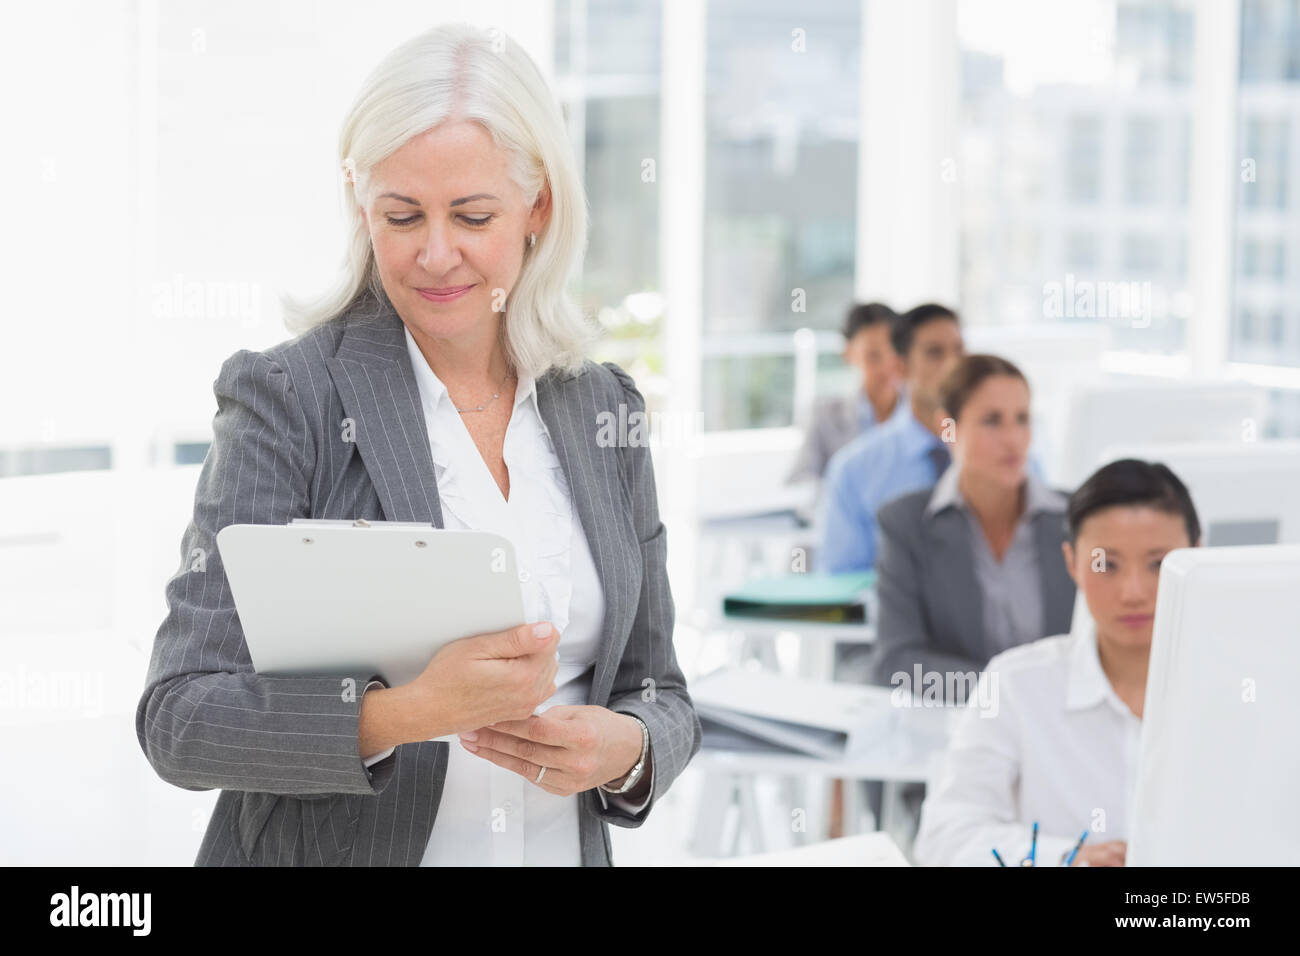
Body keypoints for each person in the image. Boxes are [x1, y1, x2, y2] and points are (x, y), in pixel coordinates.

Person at [135, 22, 701, 867]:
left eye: (473, 215)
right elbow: (180, 717)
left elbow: (664, 694)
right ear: (362, 206)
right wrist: (407, 713)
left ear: (539, 208)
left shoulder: (601, 409)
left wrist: (629, 750)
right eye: (402, 216)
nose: (437, 255)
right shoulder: (290, 398)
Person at [912, 459, 1202, 866]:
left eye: (1159, 564)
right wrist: (1067, 858)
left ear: (1197, 557)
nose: (1134, 592)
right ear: (1071, 563)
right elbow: (946, 838)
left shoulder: (1238, 690)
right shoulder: (1017, 686)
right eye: (1106, 564)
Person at [869, 354, 1076, 697]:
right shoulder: (905, 524)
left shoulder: (1078, 518)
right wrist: (1004, 693)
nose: (1013, 439)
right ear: (947, 427)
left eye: (1022, 419)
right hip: (961, 720)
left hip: (1063, 718)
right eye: (992, 421)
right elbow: (897, 665)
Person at [818, 303, 964, 573]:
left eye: (959, 351)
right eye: (935, 353)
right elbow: (841, 578)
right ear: (900, 367)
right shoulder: (853, 470)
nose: (954, 365)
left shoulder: (1007, 455)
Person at [786, 302, 905, 485]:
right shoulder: (824, 416)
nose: (887, 366)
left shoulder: (924, 412)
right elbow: (800, 481)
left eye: (895, 352)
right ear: (848, 353)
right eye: (873, 356)